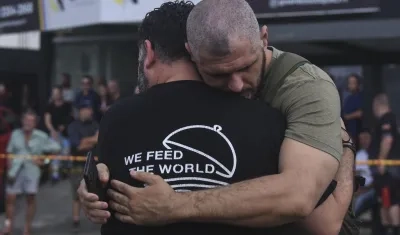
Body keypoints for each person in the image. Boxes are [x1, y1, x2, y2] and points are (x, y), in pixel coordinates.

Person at [78, 1, 352, 235]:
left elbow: (318, 217)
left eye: (246, 67)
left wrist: (175, 206)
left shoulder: (306, 88)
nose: (235, 85)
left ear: (264, 39)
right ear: (193, 55)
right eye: (218, 74)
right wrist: (97, 187)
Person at [3, 110, 61, 235]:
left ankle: (27, 228)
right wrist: (9, 167)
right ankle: (8, 226)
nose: (27, 123)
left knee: (30, 198)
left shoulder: (41, 136)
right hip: (15, 170)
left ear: (35, 123)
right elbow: (9, 152)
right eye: (26, 120)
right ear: (22, 121)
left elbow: (57, 148)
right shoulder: (15, 134)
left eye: (31, 121)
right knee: (10, 198)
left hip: (32, 170)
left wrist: (44, 161)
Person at [369, 93, 400, 235]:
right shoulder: (388, 119)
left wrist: (381, 160)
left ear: (378, 105)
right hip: (385, 169)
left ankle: (393, 229)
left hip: (387, 168)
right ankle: (387, 228)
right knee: (384, 201)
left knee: (390, 201)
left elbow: (387, 140)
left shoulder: (387, 119)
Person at [68, 103, 99, 231]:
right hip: (77, 165)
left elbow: (100, 140)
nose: (87, 112)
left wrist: (86, 141)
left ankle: (98, 218)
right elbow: (77, 146)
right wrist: (93, 140)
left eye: (89, 109)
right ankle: (76, 221)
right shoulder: (73, 126)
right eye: (84, 109)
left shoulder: (95, 124)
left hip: (93, 163)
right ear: (80, 111)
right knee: (77, 194)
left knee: (96, 192)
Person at [343, 74, 363, 146]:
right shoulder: (348, 98)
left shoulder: (361, 96)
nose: (351, 85)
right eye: (349, 83)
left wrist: (348, 116)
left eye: (353, 83)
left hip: (357, 132)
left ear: (358, 84)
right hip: (348, 132)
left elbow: (361, 113)